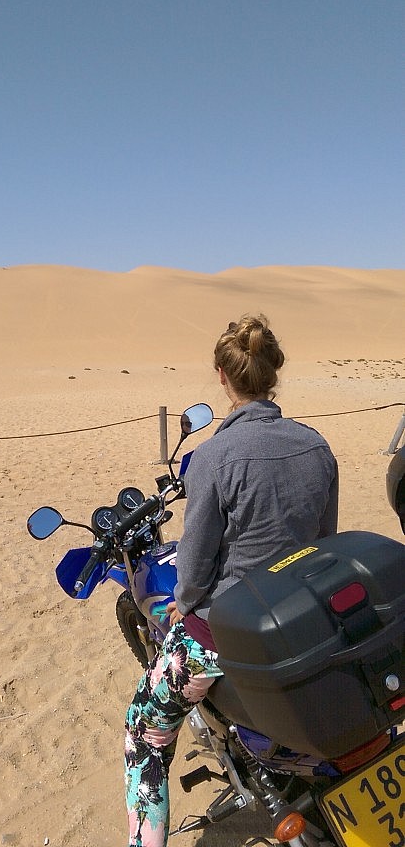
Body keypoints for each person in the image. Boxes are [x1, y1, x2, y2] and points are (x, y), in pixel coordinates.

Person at [124, 314, 338, 847]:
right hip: (302, 620)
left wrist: (183, 602)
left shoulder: (214, 458)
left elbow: (195, 564)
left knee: (144, 731)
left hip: (226, 635)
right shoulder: (317, 447)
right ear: (274, 372)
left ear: (222, 376)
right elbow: (323, 543)